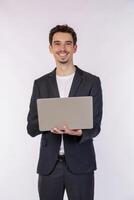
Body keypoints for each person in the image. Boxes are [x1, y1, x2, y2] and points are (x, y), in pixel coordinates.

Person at [27, 24, 103, 200]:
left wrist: (79, 132)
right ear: (50, 48)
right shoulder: (40, 84)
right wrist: (48, 122)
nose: (62, 48)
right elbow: (31, 128)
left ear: (75, 48)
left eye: (68, 43)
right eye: (57, 43)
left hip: (81, 165)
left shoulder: (92, 81)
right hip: (49, 167)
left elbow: (96, 126)